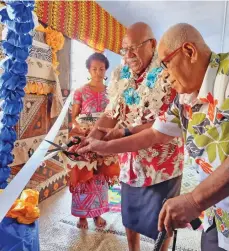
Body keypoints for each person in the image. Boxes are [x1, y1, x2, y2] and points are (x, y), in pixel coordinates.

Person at [78, 23, 229, 251]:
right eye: (124, 50)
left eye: (167, 63)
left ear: (189, 51)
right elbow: (155, 132)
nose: (166, 74)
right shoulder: (185, 97)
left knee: (160, 230)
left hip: (175, 180)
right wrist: (104, 142)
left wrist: (195, 200)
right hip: (217, 215)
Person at [78, 22, 184, 251]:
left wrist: (109, 144)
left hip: (162, 166)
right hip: (130, 165)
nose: (129, 55)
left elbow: (159, 128)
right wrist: (92, 137)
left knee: (161, 224)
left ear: (152, 44)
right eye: (125, 49)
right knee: (130, 217)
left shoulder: (169, 74)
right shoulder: (122, 74)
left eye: (134, 48)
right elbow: (111, 112)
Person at [69, 52, 119, 229]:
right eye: (94, 69)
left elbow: (114, 115)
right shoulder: (80, 91)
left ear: (106, 70)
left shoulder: (111, 92)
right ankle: (82, 215)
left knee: (100, 175)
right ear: (89, 70)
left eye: (101, 68)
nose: (98, 72)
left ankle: (97, 214)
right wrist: (81, 129)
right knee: (83, 176)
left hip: (103, 137)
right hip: (83, 137)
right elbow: (74, 117)